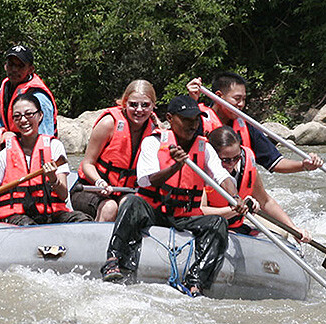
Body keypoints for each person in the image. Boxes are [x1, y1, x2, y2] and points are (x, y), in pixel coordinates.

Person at [101, 96, 247, 297]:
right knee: (133, 202)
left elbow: (221, 176)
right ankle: (115, 260)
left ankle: (196, 280)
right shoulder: (154, 142)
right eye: (187, 119)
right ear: (170, 118)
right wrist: (176, 167)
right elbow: (145, 180)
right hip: (155, 210)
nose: (193, 124)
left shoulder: (204, 147)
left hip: (184, 215)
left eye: (196, 120)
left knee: (217, 223)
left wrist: (235, 197)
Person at [0, 93, 90, 225]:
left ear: (40, 115)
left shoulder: (54, 146)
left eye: (29, 114)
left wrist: (52, 178)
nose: (23, 120)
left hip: (53, 214)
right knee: (26, 225)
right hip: (19, 217)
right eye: (17, 116)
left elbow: (63, 194)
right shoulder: (6, 153)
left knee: (82, 220)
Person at [187, 72, 324, 173]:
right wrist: (192, 100)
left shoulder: (245, 125)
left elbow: (275, 162)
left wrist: (304, 165)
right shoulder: (197, 119)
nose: (241, 104)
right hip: (204, 195)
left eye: (244, 99)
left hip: (236, 196)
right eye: (236, 99)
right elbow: (182, 143)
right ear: (218, 97)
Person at [202, 126, 311, 242]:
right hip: (210, 227)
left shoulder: (245, 164)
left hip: (237, 225)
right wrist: (236, 210)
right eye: (226, 160)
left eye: (236, 158)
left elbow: (265, 201)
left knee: (282, 234)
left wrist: (292, 228)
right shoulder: (202, 170)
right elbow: (200, 212)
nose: (232, 164)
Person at [72, 79, 160, 222]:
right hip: (89, 189)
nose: (139, 110)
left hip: (123, 191)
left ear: (153, 106)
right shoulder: (108, 123)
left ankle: (124, 243)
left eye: (145, 105)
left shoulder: (154, 130)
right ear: (124, 104)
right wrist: (99, 182)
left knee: (131, 205)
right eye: (133, 105)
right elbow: (88, 163)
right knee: (110, 207)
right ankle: (98, 242)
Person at [0, 45, 58, 137]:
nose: (14, 69)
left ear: (31, 69)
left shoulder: (39, 97)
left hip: (31, 147)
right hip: (10, 143)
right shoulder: (4, 88)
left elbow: (45, 136)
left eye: (20, 66)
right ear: (5, 66)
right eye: (11, 64)